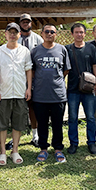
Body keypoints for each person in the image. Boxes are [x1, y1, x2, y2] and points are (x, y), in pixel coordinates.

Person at [0, 23, 32, 165]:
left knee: (18, 123)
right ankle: (3, 152)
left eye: (15, 32)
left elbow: (28, 70)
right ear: (5, 34)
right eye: (10, 32)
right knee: (2, 123)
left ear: (19, 34)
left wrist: (29, 88)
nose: (12, 35)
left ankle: (15, 150)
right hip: (4, 92)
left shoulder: (25, 51)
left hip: (20, 92)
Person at [32, 24, 71, 163]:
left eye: (52, 32)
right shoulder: (35, 51)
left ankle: (58, 149)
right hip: (40, 95)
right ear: (41, 34)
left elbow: (65, 70)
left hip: (58, 94)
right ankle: (43, 148)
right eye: (47, 31)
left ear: (56, 34)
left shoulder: (62, 49)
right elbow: (32, 71)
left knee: (57, 124)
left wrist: (56, 81)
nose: (49, 34)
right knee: (42, 123)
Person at [5, 13, 44, 149]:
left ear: (31, 23)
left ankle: (35, 135)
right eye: (23, 22)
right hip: (17, 79)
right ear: (20, 23)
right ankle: (14, 139)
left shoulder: (38, 39)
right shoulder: (14, 39)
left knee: (33, 108)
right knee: (16, 109)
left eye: (28, 22)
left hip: (34, 79)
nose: (25, 24)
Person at [65, 23, 96, 155]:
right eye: (76, 32)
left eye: (81, 32)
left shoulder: (91, 48)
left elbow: (95, 66)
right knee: (72, 117)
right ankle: (73, 143)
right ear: (72, 34)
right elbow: (65, 69)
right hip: (73, 89)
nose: (79, 35)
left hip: (88, 89)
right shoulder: (67, 49)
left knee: (91, 117)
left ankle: (91, 142)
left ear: (85, 34)